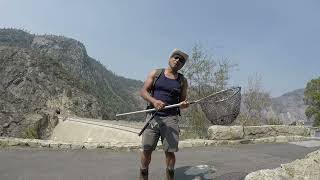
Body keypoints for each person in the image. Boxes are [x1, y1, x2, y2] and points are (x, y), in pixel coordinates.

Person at [139, 48, 189, 180]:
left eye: (181, 60)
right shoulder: (156, 73)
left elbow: (183, 101)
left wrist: (184, 105)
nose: (178, 60)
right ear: (170, 58)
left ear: (182, 65)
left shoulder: (183, 81)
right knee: (146, 149)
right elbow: (143, 91)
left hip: (171, 119)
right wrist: (154, 101)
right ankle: (143, 175)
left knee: (170, 152)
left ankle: (170, 177)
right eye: (176, 57)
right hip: (153, 117)